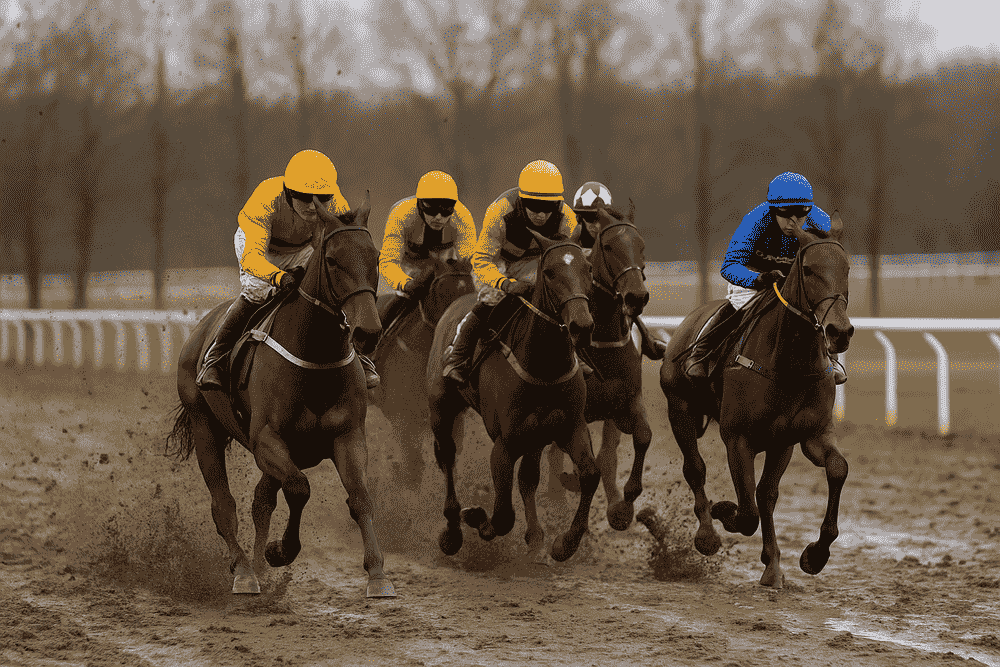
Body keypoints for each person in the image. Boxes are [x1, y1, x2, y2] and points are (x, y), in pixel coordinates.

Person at [196, 149, 381, 391]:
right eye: (303, 197)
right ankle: (216, 358)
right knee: (257, 291)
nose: (313, 206)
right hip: (263, 249)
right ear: (287, 191)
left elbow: (342, 248)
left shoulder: (336, 203)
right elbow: (253, 256)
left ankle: (360, 356)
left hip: (305, 247)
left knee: (333, 286)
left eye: (322, 198)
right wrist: (278, 277)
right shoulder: (266, 198)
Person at [683, 171, 847, 384]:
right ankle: (700, 353)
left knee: (815, 308)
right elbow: (729, 266)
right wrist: (758, 279)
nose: (794, 222)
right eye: (786, 213)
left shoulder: (820, 222)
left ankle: (830, 358)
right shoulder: (755, 220)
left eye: (801, 213)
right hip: (755, 278)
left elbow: (832, 260)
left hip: (793, 279)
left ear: (810, 209)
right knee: (740, 305)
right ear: (773, 209)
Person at [441, 160, 579, 385]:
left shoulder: (566, 217)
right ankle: (457, 356)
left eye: (548, 207)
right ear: (522, 200)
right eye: (534, 205)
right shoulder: (500, 210)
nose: (541, 214)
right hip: (498, 263)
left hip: (537, 263)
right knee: (493, 298)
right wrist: (505, 284)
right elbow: (482, 259)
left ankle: (578, 355)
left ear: (558, 203)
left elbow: (570, 259)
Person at [571, 181, 666, 361]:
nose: (594, 224)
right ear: (579, 218)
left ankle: (647, 339)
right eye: (589, 218)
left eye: (599, 218)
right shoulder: (573, 238)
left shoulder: (615, 240)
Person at [378, 171, 477, 330]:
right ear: (419, 204)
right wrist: (405, 283)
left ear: (454, 207)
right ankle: (374, 341)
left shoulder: (462, 217)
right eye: (431, 208)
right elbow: (388, 261)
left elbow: (470, 261)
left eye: (446, 209)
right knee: (401, 299)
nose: (438, 217)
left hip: (445, 270)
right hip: (409, 270)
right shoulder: (401, 214)